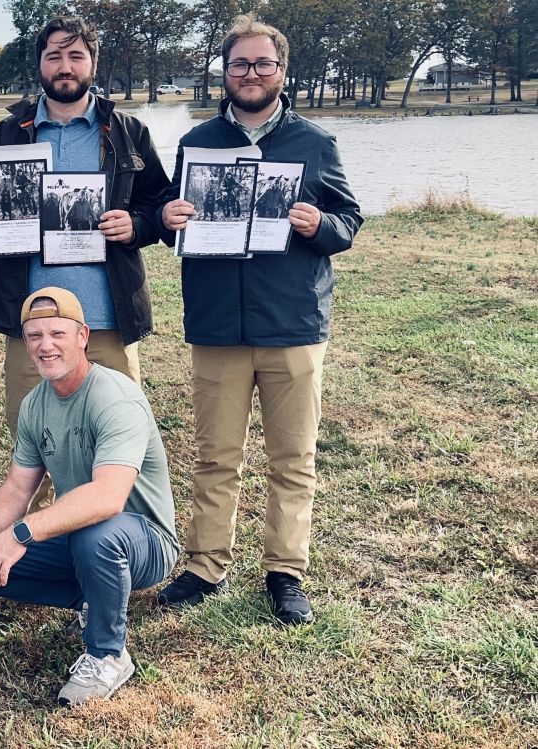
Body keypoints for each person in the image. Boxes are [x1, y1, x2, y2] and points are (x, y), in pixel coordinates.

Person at [155, 14, 363, 624]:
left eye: (262, 64)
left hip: (293, 322)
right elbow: (177, 220)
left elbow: (348, 223)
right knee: (216, 455)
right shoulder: (198, 144)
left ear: (282, 71)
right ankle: (204, 564)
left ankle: (284, 572)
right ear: (225, 72)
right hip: (218, 323)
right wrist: (171, 218)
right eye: (240, 63)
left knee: (292, 458)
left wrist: (317, 225)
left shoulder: (314, 143)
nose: (250, 73)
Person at [0, 15, 169, 511]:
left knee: (118, 435)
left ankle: (113, 540)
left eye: (76, 55)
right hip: (33, 318)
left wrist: (137, 226)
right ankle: (42, 547)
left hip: (106, 315)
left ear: (93, 63)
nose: (65, 65)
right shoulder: (9, 132)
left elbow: (160, 203)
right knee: (33, 438)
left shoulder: (127, 131)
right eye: (54, 55)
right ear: (40, 63)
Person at [0, 288, 179, 708]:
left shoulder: (114, 396)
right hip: (83, 536)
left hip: (144, 539)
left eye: (57, 333)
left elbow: (109, 498)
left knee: (100, 536)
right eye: (34, 336)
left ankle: (108, 654)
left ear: (83, 336)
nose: (45, 345)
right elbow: (19, 486)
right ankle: (98, 598)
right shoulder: (36, 403)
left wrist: (19, 535)